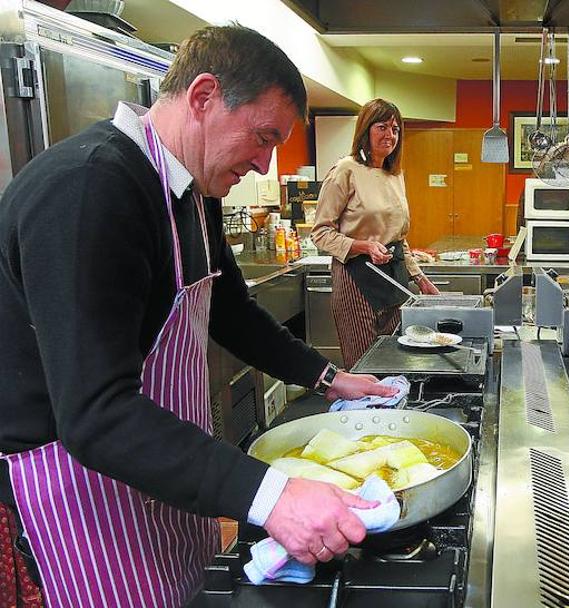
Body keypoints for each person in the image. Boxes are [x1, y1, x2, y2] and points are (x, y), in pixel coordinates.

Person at [0, 25, 399, 607]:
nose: (264, 166)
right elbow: (95, 414)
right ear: (204, 95)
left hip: (158, 475)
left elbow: (231, 311)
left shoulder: (189, 191)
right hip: (69, 495)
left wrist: (328, 377)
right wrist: (271, 496)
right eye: (263, 138)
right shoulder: (91, 189)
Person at [311, 98, 439, 368]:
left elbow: (398, 238)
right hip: (356, 276)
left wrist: (419, 277)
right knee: (364, 364)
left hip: (394, 276)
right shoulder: (346, 170)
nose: (389, 135)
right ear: (365, 130)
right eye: (382, 127)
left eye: (395, 129)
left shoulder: (395, 175)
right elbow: (321, 233)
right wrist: (363, 246)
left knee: (394, 358)